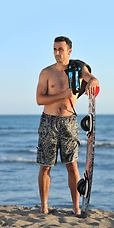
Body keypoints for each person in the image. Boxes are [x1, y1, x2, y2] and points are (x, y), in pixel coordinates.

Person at [36, 36, 99, 214]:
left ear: (69, 51)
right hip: (48, 121)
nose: (57, 53)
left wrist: (93, 82)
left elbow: (92, 78)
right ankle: (44, 207)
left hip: (69, 121)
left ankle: (76, 208)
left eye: (60, 49)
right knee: (46, 165)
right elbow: (39, 99)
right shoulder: (46, 73)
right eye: (54, 49)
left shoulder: (78, 69)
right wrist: (64, 94)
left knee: (72, 165)